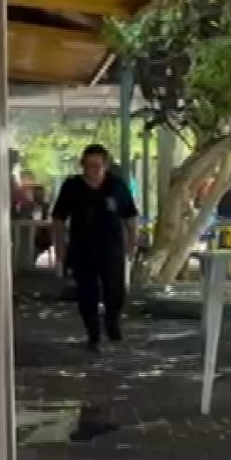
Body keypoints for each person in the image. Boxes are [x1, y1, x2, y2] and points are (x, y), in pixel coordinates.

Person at [51, 145, 140, 351]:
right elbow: (58, 218)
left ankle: (112, 322)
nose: (94, 170)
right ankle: (93, 333)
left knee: (115, 290)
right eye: (90, 166)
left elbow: (130, 215)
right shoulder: (72, 186)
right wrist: (59, 247)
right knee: (87, 292)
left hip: (112, 247)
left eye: (98, 166)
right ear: (82, 166)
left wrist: (133, 240)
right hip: (82, 248)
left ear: (106, 165)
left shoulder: (116, 185)